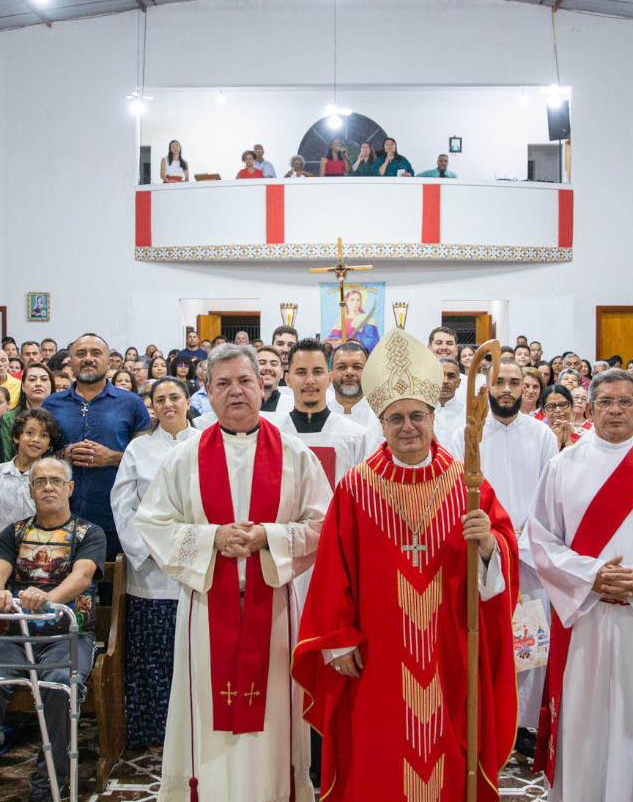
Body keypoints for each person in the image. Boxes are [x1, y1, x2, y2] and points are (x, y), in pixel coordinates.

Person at [293, 328, 518, 801]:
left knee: (450, 754)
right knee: (378, 758)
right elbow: (334, 571)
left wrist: (488, 548)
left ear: (434, 417)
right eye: (395, 418)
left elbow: (502, 557)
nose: (408, 426)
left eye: (417, 415)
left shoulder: (468, 484)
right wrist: (337, 640)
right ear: (380, 421)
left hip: (450, 651)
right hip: (377, 658)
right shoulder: (355, 488)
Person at [135, 343, 330, 802]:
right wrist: (212, 540)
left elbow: (324, 524)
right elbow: (152, 522)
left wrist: (270, 537)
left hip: (275, 610)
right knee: (205, 721)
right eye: (222, 384)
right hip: (205, 609)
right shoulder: (185, 456)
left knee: (275, 724)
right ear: (207, 392)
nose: (236, 391)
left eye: (244, 380)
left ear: (263, 384)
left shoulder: (295, 454)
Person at [524, 368, 633, 801]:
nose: (615, 410)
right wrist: (592, 577)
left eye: (625, 402)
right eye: (605, 402)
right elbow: (541, 540)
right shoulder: (563, 466)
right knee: (586, 722)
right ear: (591, 407)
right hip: (585, 619)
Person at [0, 457, 104, 801]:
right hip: (19, 633)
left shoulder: (88, 532)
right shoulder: (14, 532)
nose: (48, 487)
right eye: (40, 481)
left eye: (56, 481)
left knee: (60, 685)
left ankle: (48, 781)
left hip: (69, 634)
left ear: (69, 488)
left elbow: (81, 577)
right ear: (30, 490)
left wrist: (48, 598)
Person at [446, 358, 556, 748]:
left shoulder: (542, 435)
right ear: (486, 388)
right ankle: (488, 713)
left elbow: (549, 498)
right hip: (485, 551)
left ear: (528, 387)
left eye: (514, 382)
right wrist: (492, 540)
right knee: (489, 636)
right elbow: (457, 491)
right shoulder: (466, 436)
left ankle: (525, 724)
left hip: (529, 556)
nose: (506, 390)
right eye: (498, 383)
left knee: (531, 642)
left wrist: (522, 544)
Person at [110, 377, 198, 750]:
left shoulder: (207, 441)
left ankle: (195, 732)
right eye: (159, 399)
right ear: (152, 406)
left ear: (187, 401)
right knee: (153, 656)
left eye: (174, 397)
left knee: (193, 654)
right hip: (150, 568)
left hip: (197, 564)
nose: (167, 405)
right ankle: (155, 731)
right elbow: (123, 503)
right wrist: (147, 551)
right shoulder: (139, 448)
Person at [42, 333, 152, 562]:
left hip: (114, 517)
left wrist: (113, 458)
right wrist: (63, 455)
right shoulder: (52, 404)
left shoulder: (131, 403)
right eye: (80, 354)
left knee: (111, 591)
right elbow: (36, 455)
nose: (88, 358)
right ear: (70, 361)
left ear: (109, 359)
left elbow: (147, 459)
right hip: (60, 515)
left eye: (96, 353)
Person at [269, 338, 369, 487]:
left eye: (317, 372)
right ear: (288, 380)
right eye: (301, 372)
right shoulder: (272, 435)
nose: (310, 380)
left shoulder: (356, 437)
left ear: (329, 378)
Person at [0, 408, 63, 551]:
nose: (36, 440)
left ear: (49, 444)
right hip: (4, 550)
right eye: (29, 433)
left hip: (41, 550)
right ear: (16, 437)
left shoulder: (52, 477)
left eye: (44, 435)